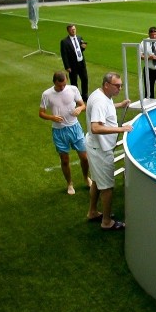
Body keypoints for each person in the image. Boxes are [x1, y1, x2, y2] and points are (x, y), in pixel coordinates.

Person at [85, 72, 132, 231]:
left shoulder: (101, 95)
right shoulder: (100, 101)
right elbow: (96, 127)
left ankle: (92, 212)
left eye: (121, 85)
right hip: (101, 150)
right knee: (107, 187)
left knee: (97, 182)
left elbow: (106, 107)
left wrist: (119, 105)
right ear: (106, 85)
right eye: (117, 86)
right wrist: (121, 128)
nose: (120, 88)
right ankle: (106, 221)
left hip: (95, 146)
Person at [39, 71, 91, 195]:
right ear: (54, 83)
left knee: (84, 157)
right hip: (59, 130)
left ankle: (86, 177)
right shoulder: (47, 94)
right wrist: (52, 118)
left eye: (63, 85)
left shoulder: (73, 89)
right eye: (59, 86)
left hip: (75, 127)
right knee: (65, 160)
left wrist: (79, 108)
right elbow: (41, 113)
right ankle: (69, 183)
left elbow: (83, 105)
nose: (62, 88)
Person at [60, 24, 88, 101]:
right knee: (74, 82)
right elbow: (64, 55)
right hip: (72, 65)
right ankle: (75, 98)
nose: (73, 31)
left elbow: (79, 50)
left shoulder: (79, 38)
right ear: (68, 31)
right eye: (72, 29)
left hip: (81, 63)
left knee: (85, 79)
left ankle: (85, 96)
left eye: (74, 29)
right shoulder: (64, 42)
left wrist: (83, 48)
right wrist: (67, 66)